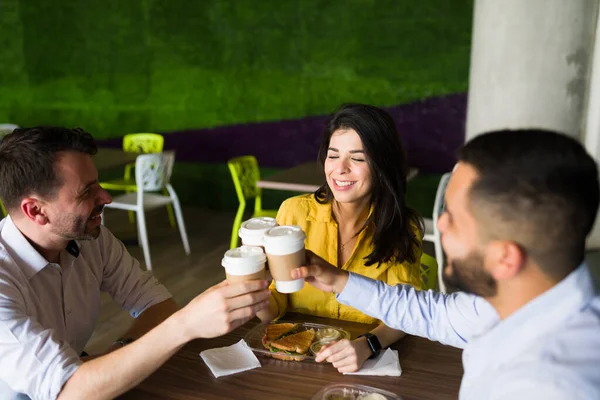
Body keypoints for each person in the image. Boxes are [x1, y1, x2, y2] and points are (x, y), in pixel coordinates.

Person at [292, 129, 600, 398]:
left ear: (505, 257)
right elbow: (430, 314)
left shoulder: (551, 384)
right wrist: (335, 279)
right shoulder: (507, 302)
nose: (439, 225)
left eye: (452, 217)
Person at [0, 127, 270, 400]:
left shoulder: (91, 239)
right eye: (87, 193)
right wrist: (185, 325)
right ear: (35, 210)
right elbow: (71, 393)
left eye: (99, 184)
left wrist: (112, 357)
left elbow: (158, 305)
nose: (106, 198)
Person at [257, 104, 425, 373]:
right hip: (297, 363)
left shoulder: (402, 228)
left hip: (362, 364)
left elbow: (405, 311)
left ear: (383, 164)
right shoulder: (293, 213)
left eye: (357, 158)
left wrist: (369, 343)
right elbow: (276, 305)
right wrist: (254, 288)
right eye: (333, 156)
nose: (340, 169)